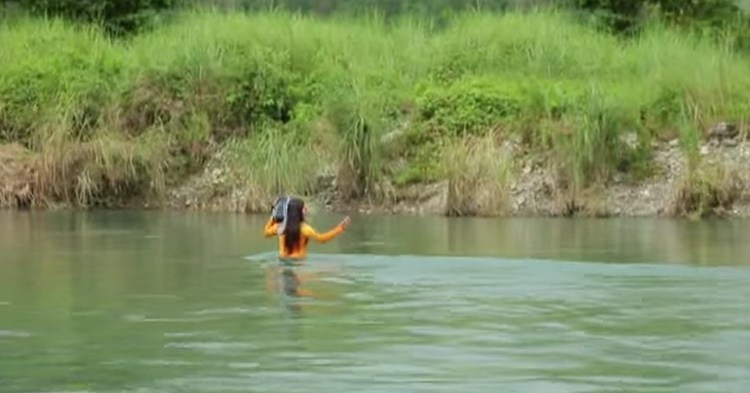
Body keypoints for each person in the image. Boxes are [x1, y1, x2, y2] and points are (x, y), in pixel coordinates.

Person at [263, 197, 350, 260]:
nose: (306, 210)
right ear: (297, 211)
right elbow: (322, 239)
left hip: (282, 263)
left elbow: (266, 232)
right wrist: (340, 228)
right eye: (304, 208)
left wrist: (273, 217)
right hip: (298, 264)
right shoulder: (305, 229)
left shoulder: (280, 227)